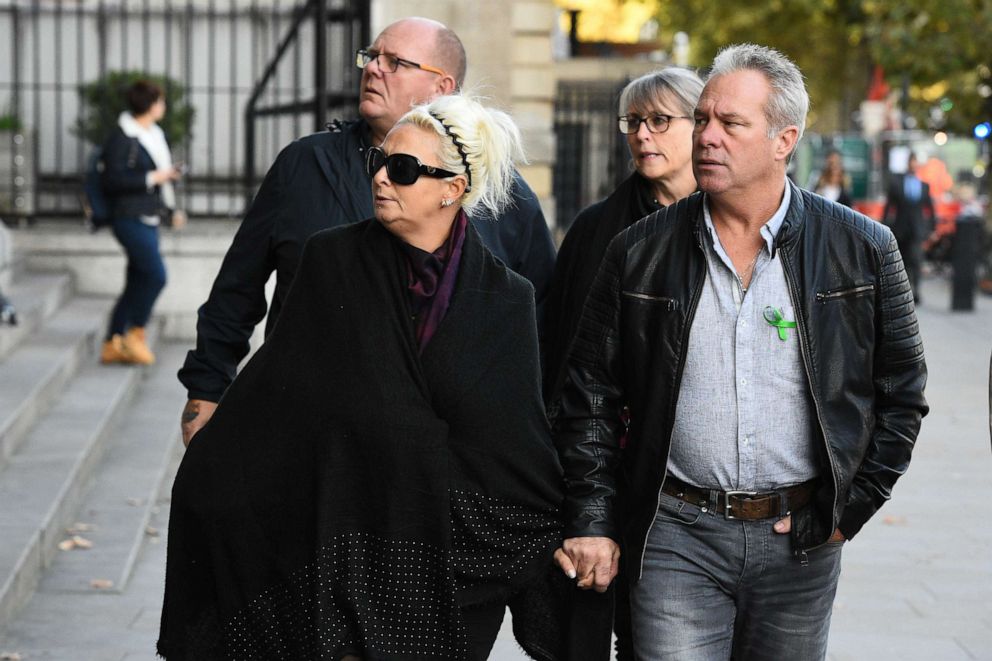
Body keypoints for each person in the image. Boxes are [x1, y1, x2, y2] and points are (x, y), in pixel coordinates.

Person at [158, 94, 572, 660]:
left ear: (453, 187)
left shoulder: (505, 298)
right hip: (339, 540)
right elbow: (281, 392)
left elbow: (514, 440)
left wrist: (566, 530)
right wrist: (214, 457)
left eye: (402, 170)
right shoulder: (331, 259)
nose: (380, 178)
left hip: (449, 560)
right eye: (379, 161)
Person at [552, 44, 928, 660]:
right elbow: (588, 395)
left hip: (800, 545)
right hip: (676, 534)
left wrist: (847, 512)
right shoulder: (637, 252)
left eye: (731, 124)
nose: (707, 137)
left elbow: (902, 393)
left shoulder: (862, 248)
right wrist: (593, 517)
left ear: (785, 139)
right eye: (702, 119)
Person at [177, 17, 555, 444]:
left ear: (442, 87)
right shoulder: (304, 165)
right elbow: (236, 289)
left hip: (442, 444)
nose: (373, 68)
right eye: (372, 56)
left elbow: (540, 323)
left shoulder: (503, 194)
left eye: (395, 62)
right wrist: (205, 391)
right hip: (307, 427)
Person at [541, 66, 703, 661]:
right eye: (633, 122)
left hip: (690, 471)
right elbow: (564, 351)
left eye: (661, 120)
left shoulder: (731, 224)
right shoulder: (596, 229)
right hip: (605, 458)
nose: (642, 135)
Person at [99, 79, 185, 365]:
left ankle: (112, 342)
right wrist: (153, 178)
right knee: (156, 275)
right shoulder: (123, 137)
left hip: (149, 215)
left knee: (137, 278)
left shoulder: (154, 134)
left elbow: (161, 176)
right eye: (160, 101)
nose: (163, 106)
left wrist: (171, 208)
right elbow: (111, 181)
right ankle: (135, 333)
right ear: (149, 104)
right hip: (128, 217)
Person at [883, 152, 935, 302]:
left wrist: (931, 228)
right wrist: (885, 226)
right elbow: (889, 207)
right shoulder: (897, 183)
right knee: (902, 261)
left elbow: (930, 209)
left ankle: (917, 289)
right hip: (900, 229)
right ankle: (904, 290)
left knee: (916, 260)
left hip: (917, 229)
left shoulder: (924, 186)